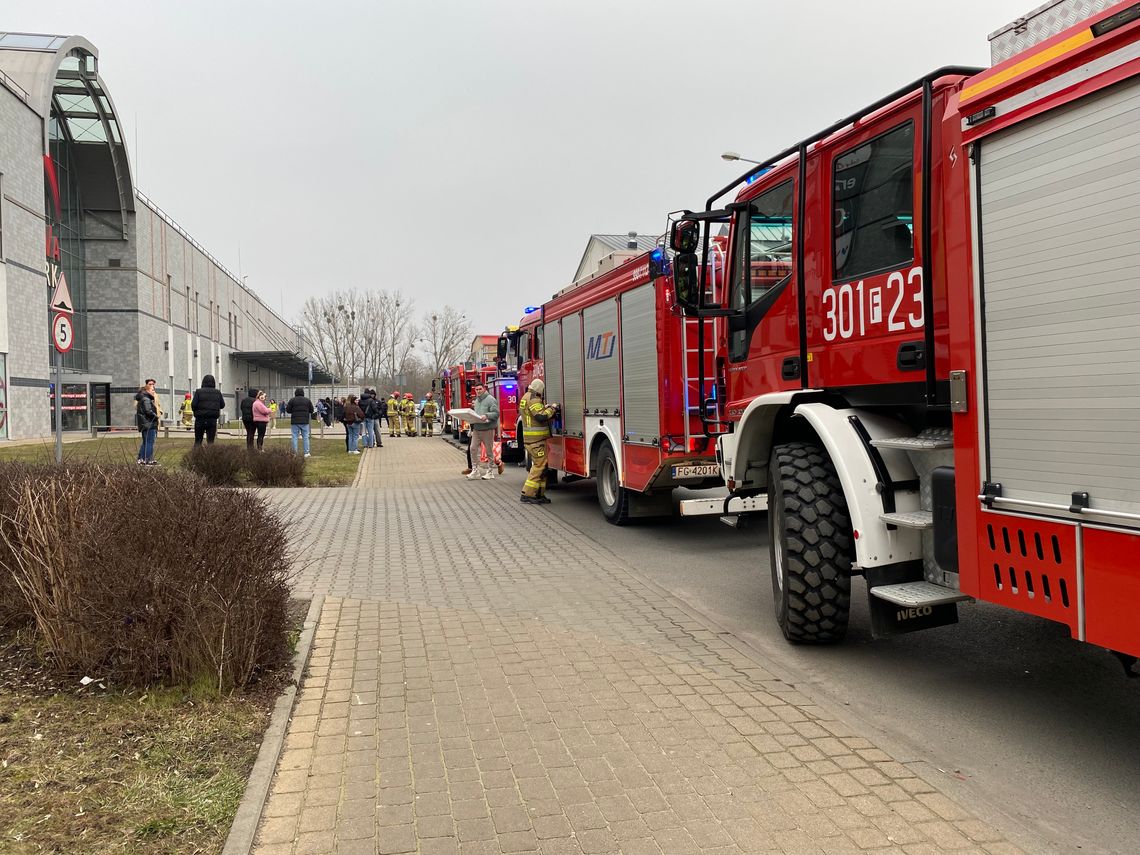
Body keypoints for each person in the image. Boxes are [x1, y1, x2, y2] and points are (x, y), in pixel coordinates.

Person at [519, 378, 558, 504]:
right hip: (536, 440)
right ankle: (528, 494)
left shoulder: (526, 397)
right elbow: (540, 416)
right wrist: (552, 409)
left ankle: (538, 494)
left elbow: (534, 411)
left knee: (543, 466)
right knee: (539, 466)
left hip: (533, 440)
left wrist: (543, 407)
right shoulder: (534, 399)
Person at [467, 382, 499, 480]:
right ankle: (475, 470)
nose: (478, 391)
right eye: (476, 390)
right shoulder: (476, 401)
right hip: (477, 429)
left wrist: (487, 416)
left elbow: (496, 413)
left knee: (489, 451)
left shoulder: (491, 400)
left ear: (484, 389)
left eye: (480, 389)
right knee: (472, 448)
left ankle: (490, 471)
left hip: (487, 429)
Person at [190, 374, 226, 445]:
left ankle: (196, 455)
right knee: (210, 441)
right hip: (212, 419)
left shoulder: (198, 392)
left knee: (198, 440)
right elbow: (222, 405)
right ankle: (210, 455)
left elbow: (193, 405)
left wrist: (196, 411)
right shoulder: (217, 392)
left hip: (200, 419)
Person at [284, 387, 316, 457]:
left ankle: (294, 453)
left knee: (294, 437)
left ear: (295, 393)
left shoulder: (292, 400)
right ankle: (306, 453)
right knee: (305, 437)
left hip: (295, 421)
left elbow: (288, 410)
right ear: (303, 393)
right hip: (305, 421)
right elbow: (312, 410)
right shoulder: (307, 400)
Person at [135, 382, 159, 465]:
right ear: (147, 390)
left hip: (145, 424)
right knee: (149, 442)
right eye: (152, 390)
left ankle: (141, 458)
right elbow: (148, 411)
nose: (154, 392)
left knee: (145, 442)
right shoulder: (146, 399)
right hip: (149, 423)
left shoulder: (143, 398)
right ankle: (147, 459)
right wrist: (156, 417)